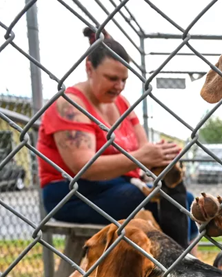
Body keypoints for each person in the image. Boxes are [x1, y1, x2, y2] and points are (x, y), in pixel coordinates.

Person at [37, 27, 197, 244]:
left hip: (121, 185)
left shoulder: (122, 104)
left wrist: (161, 156)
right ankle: (177, 269)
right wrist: (141, 157)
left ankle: (186, 264)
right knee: (154, 203)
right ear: (89, 69)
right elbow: (83, 167)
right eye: (112, 78)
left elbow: (144, 149)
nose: (119, 87)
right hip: (72, 193)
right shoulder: (71, 105)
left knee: (183, 199)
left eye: (124, 80)